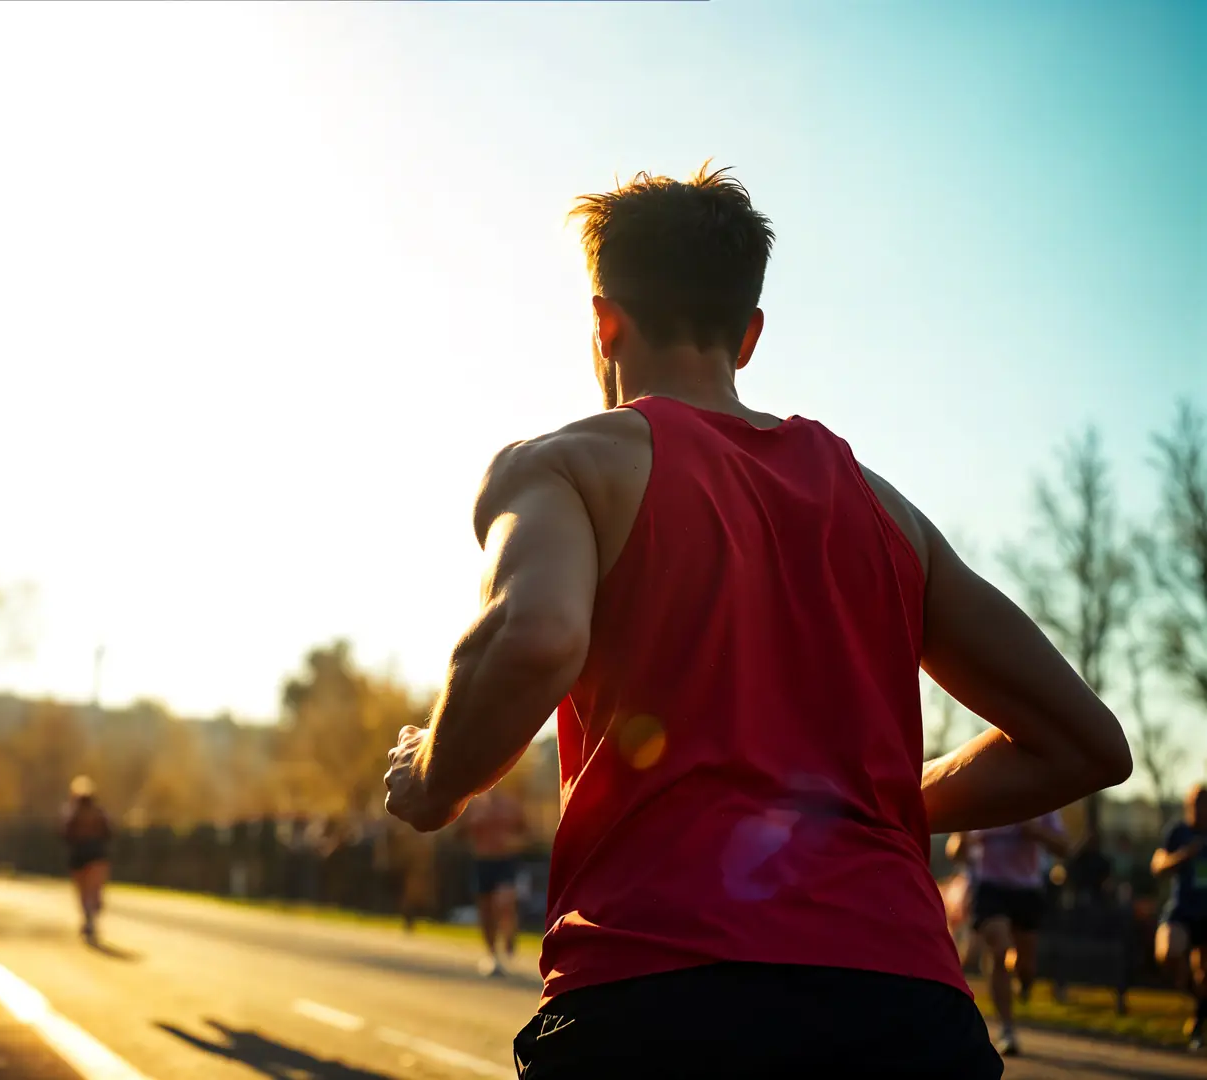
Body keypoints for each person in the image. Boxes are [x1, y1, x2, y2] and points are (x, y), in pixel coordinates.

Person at [380, 165, 1132, 1078]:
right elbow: (1086, 744)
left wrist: (434, 777)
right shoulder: (883, 509)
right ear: (750, 333)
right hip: (909, 1015)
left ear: (602, 322)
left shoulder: (568, 467)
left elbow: (533, 638)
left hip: (661, 997)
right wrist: (867, 812)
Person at [947, 813, 1071, 1055]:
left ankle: (1023, 980)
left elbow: (1064, 847)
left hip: (1027, 889)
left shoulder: (1038, 798)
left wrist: (1035, 831)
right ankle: (1007, 1028)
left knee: (1026, 966)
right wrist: (962, 839)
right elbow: (954, 852)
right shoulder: (980, 799)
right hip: (989, 888)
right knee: (999, 948)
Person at [1153, 784, 1207, 1051]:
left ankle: (1198, 1021)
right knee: (1169, 952)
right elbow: (1158, 865)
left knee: (1205, 974)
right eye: (1195, 802)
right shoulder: (1179, 832)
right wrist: (1185, 855)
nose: (1199, 808)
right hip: (1182, 911)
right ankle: (1192, 993)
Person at [463, 786, 529, 977]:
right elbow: (460, 833)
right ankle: (492, 955)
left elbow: (526, 833)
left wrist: (515, 842)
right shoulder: (473, 805)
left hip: (505, 861)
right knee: (485, 910)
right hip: (482, 862)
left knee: (504, 902)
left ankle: (510, 938)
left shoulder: (511, 805)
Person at [63, 776, 112, 942]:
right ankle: (91, 918)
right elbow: (109, 832)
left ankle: (89, 918)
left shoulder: (72, 812)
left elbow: (64, 833)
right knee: (93, 890)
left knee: (84, 892)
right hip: (96, 853)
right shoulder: (99, 812)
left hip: (80, 854)